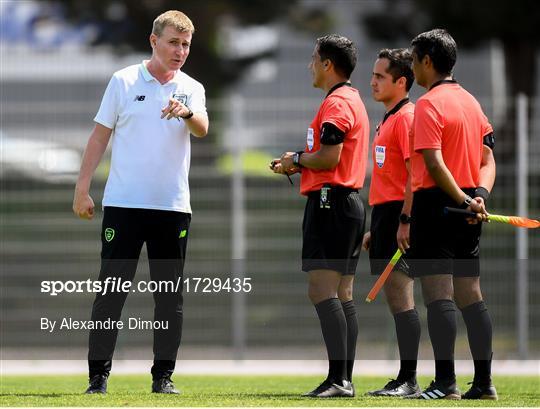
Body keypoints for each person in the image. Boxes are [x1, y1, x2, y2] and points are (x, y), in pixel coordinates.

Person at [72, 10, 208, 395]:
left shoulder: (192, 88)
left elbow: (203, 128)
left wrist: (187, 112)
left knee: (169, 298)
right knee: (110, 292)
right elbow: (99, 137)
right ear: (154, 41)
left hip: (172, 208)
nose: (180, 51)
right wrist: (82, 188)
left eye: (185, 45)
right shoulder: (123, 80)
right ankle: (97, 377)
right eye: (173, 42)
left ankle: (163, 377)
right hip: (124, 207)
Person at [271, 34, 369, 398]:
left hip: (332, 203)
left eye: (314, 59)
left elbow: (330, 157)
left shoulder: (338, 103)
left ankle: (339, 380)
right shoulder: (348, 99)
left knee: (321, 290)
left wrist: (296, 160)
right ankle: (342, 379)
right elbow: (326, 158)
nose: (310, 65)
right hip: (344, 202)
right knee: (342, 293)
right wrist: (295, 165)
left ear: (328, 64)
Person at [407, 29, 497, 400]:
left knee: (439, 296)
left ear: (428, 61)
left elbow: (433, 160)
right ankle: (484, 383)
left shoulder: (429, 104)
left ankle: (445, 383)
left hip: (438, 206)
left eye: (413, 61)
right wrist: (478, 197)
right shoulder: (472, 103)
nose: (412, 68)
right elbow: (488, 160)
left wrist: (462, 199)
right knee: (471, 296)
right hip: (468, 211)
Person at [362, 48, 421, 398]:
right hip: (385, 215)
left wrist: (405, 221)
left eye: (380, 76)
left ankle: (409, 379)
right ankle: (405, 377)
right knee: (395, 299)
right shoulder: (388, 117)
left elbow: (415, 175)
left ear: (401, 82)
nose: (373, 81)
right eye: (373, 74)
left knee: (402, 297)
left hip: (400, 213)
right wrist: (378, 227)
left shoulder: (407, 118)